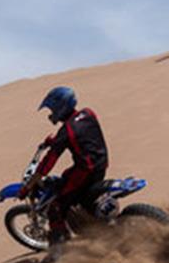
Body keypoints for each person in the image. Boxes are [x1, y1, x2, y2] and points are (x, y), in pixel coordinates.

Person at [17, 86, 109, 248]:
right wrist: (56, 141)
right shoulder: (88, 113)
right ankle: (92, 224)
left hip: (85, 172)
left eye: (52, 108)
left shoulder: (67, 131)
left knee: (56, 208)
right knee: (71, 183)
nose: (51, 112)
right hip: (101, 164)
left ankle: (61, 253)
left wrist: (30, 184)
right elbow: (84, 135)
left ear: (60, 107)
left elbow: (49, 161)